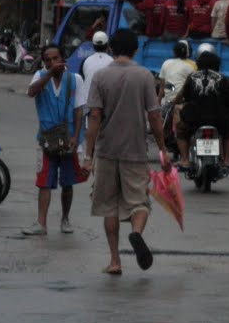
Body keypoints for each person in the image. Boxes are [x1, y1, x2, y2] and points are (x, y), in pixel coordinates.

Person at [83, 29, 172, 275]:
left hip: (106, 150)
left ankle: (114, 261)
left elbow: (94, 118)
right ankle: (136, 233)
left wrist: (88, 156)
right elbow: (154, 116)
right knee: (139, 202)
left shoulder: (100, 76)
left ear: (111, 49)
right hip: (136, 150)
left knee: (109, 207)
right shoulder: (144, 76)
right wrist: (163, 149)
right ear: (135, 50)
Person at [22, 45, 86, 236]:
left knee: (67, 182)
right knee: (44, 182)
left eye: (55, 58)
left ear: (63, 58)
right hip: (46, 137)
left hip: (68, 137)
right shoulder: (40, 76)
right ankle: (41, 223)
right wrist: (49, 74)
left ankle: (65, 219)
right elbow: (31, 92)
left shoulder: (76, 79)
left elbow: (79, 110)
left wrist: (76, 137)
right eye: (48, 60)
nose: (52, 62)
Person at [173, 48, 229, 169]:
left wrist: (176, 103)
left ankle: (184, 159)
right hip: (218, 119)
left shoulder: (192, 76)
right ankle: (227, 160)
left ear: (198, 63)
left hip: (194, 118)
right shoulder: (223, 78)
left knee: (181, 131)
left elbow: (185, 96)